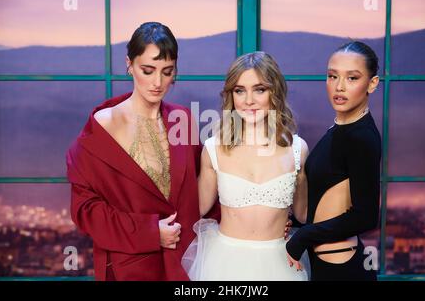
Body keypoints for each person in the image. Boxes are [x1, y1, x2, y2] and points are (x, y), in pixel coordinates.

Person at [66, 22, 203, 281]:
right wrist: (150, 232)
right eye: (147, 70)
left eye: (167, 71)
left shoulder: (182, 118)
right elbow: (86, 210)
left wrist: (260, 219)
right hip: (130, 267)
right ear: (129, 64)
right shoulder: (103, 128)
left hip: (184, 264)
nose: (158, 82)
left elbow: (202, 187)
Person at [182, 51, 309, 281]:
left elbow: (304, 214)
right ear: (231, 96)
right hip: (223, 265)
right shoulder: (214, 149)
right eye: (240, 90)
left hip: (281, 262)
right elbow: (196, 208)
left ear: (275, 92)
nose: (248, 100)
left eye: (259, 89)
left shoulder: (297, 149)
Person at [286, 41, 381, 281]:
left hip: (341, 269)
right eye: (332, 76)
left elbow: (366, 215)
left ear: (372, 84)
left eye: (352, 78)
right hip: (326, 262)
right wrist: (294, 222)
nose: (339, 87)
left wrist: (303, 236)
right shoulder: (341, 127)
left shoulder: (361, 136)